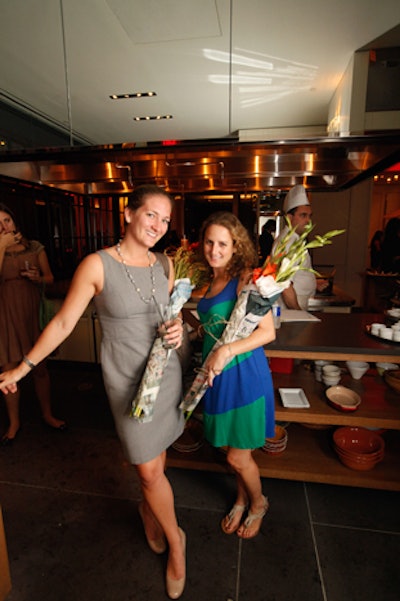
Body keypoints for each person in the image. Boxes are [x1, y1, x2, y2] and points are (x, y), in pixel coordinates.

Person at [0, 186, 187, 599]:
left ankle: (151, 513)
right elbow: (64, 323)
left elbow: (170, 315)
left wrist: (178, 328)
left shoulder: (165, 263)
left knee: (154, 466)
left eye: (165, 219)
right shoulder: (96, 265)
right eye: (151, 215)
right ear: (128, 213)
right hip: (127, 383)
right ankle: (178, 541)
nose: (158, 225)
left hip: (164, 376)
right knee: (147, 468)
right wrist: (23, 366)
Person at [195, 211, 276, 539]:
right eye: (209, 242)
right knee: (234, 450)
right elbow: (213, 327)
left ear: (235, 246)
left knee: (237, 456)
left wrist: (227, 351)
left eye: (222, 244)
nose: (214, 249)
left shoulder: (246, 278)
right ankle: (241, 499)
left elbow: (268, 332)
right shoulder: (210, 278)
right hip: (217, 376)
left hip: (244, 375)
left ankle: (258, 503)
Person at [0, 203, 66, 445]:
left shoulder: (35, 247)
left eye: (6, 220)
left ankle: (47, 414)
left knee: (39, 366)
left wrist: (39, 278)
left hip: (31, 313)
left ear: (15, 222)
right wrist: (1, 247)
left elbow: (50, 278)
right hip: (5, 315)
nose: (3, 227)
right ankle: (14, 422)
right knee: (8, 370)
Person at [272, 184, 326, 310]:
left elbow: (294, 274)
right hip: (290, 309)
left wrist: (312, 283)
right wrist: (298, 312)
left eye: (309, 216)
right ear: (289, 218)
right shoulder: (288, 243)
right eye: (303, 215)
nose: (308, 221)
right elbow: (285, 285)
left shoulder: (295, 239)